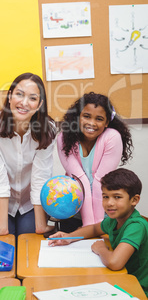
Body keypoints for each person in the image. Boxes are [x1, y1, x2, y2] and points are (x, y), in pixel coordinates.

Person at [48, 168, 148, 297]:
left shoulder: (136, 226)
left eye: (117, 197)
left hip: (138, 289)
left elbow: (114, 263)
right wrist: (69, 237)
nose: (109, 203)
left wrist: (101, 249)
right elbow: (95, 229)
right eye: (105, 197)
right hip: (120, 280)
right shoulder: (114, 220)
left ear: (134, 200)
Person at [0, 72, 57, 237]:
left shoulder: (48, 129)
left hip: (30, 203)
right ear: (9, 96)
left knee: (28, 248)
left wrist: (41, 225)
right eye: (19, 95)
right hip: (0, 204)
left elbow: (40, 176)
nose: (24, 103)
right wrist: (2, 228)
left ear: (40, 104)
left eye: (32, 98)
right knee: (4, 248)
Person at [57, 92, 133, 231]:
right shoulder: (63, 138)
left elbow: (100, 182)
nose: (91, 123)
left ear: (106, 122)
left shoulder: (112, 137)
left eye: (99, 119)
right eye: (86, 116)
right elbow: (80, 180)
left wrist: (93, 228)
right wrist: (88, 227)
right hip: (74, 211)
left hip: (104, 214)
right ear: (78, 117)